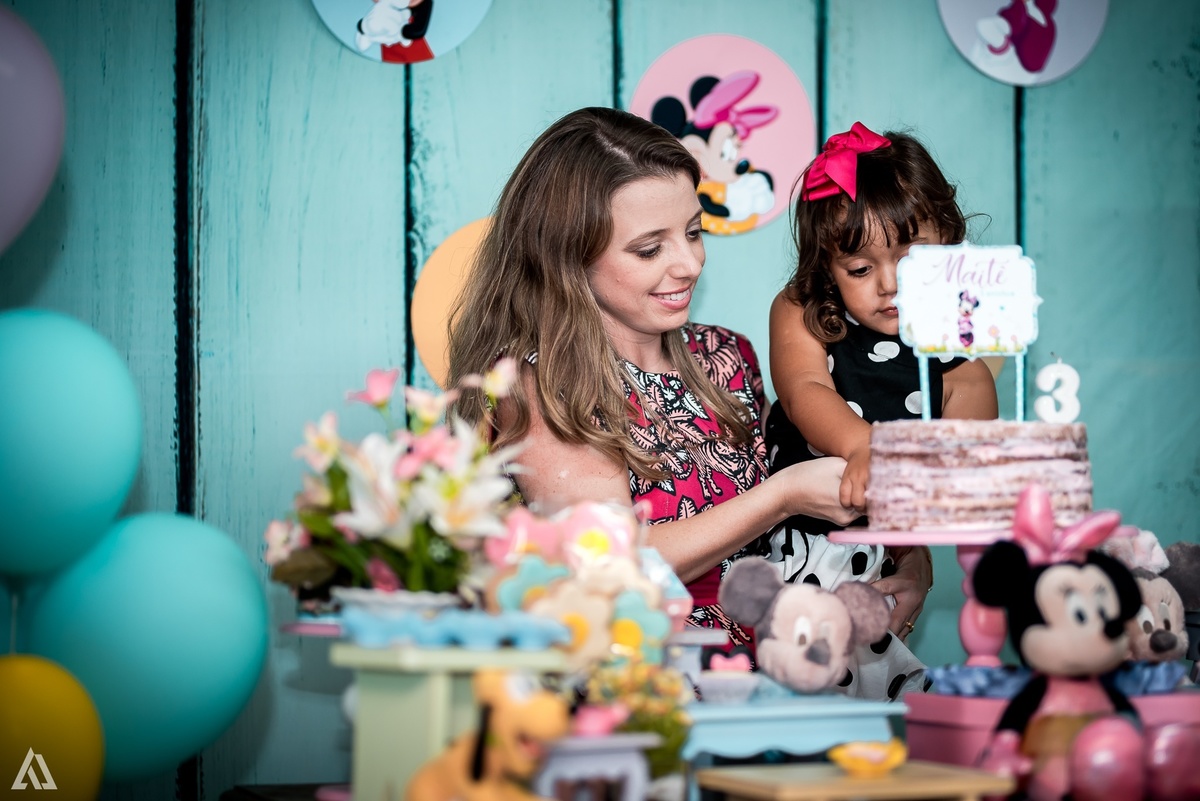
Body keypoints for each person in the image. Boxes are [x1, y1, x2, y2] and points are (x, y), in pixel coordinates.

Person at [446, 106, 872, 651]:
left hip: (769, 669)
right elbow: (608, 563)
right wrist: (781, 496)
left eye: (694, 233)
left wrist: (905, 569)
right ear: (566, 258)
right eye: (650, 248)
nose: (689, 263)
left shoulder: (726, 354)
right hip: (637, 687)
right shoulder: (535, 385)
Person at [760, 121, 999, 698]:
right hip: (802, 536)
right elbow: (804, 391)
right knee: (804, 675)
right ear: (826, 270)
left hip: (884, 554)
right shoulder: (804, 311)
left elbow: (967, 432)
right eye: (861, 270)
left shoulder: (954, 344)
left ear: (950, 240)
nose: (890, 285)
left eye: (912, 260)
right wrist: (864, 444)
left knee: (880, 688)